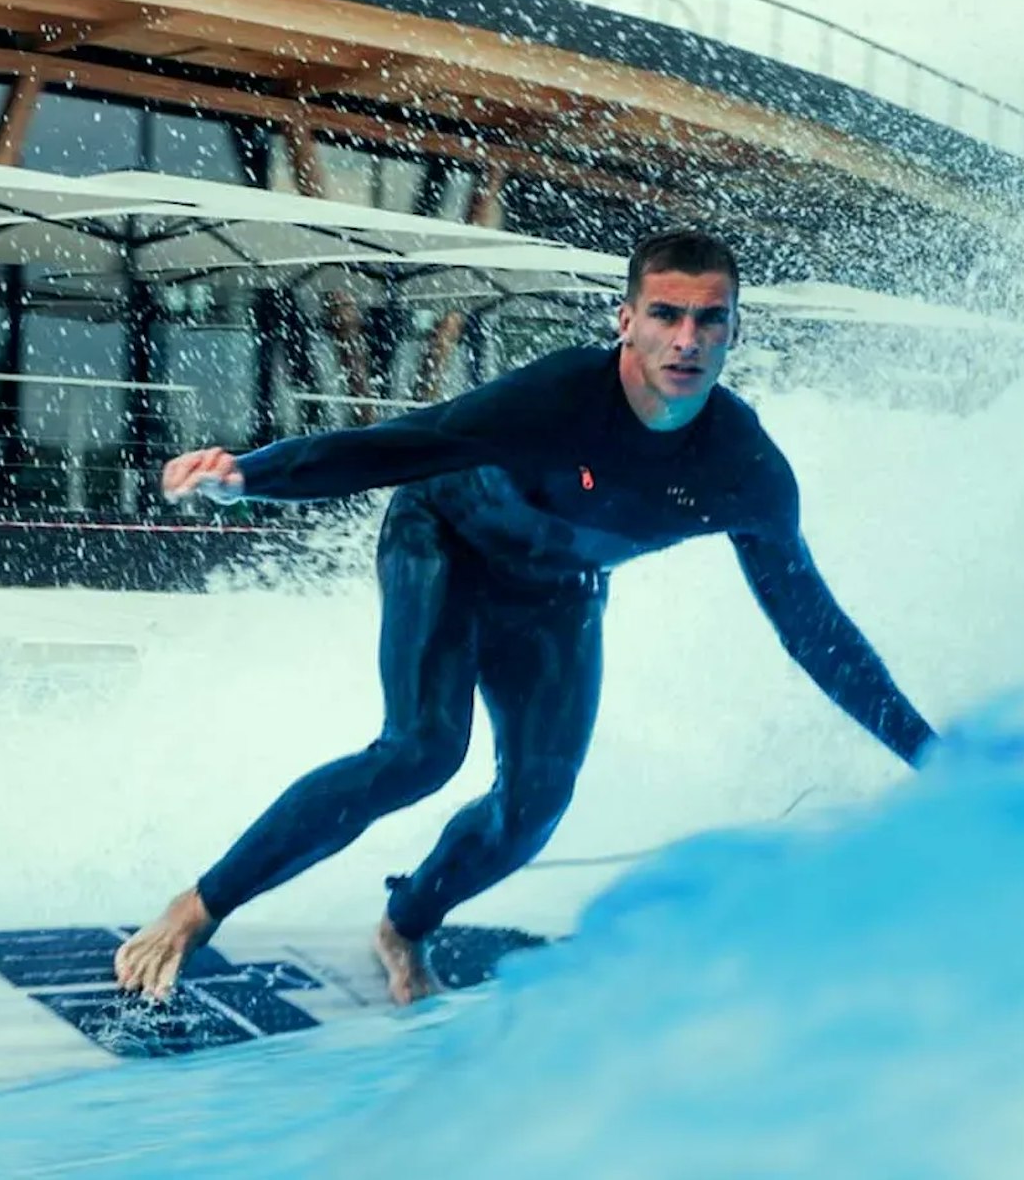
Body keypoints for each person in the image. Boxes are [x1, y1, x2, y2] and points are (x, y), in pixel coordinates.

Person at [114, 228, 935, 1006]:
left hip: (560, 589)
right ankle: (200, 904)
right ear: (627, 321)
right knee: (423, 751)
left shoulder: (744, 468)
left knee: (537, 800)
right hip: (445, 541)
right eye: (665, 314)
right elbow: (405, 444)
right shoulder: (559, 397)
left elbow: (814, 632)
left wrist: (930, 755)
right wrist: (248, 475)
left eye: (708, 318)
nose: (686, 338)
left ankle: (406, 925)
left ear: (733, 332)